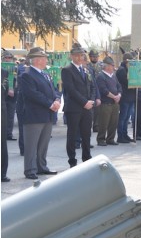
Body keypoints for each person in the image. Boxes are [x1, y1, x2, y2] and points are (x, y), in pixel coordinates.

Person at [19, 47, 61, 179]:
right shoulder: (26, 75)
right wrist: (50, 104)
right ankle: (30, 170)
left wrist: (57, 100)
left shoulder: (45, 74)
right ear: (37, 60)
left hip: (47, 114)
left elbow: (54, 89)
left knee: (43, 144)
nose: (46, 60)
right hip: (34, 116)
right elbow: (33, 94)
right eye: (44, 58)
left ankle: (42, 167)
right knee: (31, 145)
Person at [62, 44, 96, 168]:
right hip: (74, 108)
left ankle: (87, 157)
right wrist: (84, 102)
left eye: (81, 55)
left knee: (86, 134)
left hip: (87, 108)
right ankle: (72, 160)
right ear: (72, 56)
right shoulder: (67, 70)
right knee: (72, 134)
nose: (79, 57)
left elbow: (92, 87)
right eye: (76, 55)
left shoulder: (85, 70)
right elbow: (71, 90)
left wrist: (91, 100)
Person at [95, 56, 122, 146]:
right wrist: (114, 96)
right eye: (112, 65)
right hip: (105, 103)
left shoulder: (113, 76)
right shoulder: (101, 76)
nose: (113, 67)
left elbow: (119, 86)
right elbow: (103, 90)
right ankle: (101, 139)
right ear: (106, 66)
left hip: (115, 103)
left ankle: (110, 138)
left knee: (113, 122)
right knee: (103, 122)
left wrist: (119, 95)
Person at [116, 53, 136, 144]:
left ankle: (125, 134)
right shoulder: (121, 70)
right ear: (127, 60)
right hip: (124, 97)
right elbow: (127, 81)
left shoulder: (128, 69)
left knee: (127, 117)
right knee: (123, 117)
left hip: (131, 97)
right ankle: (120, 136)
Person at [1, 66, 11, 182]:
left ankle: (2, 173)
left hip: (1, 111)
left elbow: (6, 91)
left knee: (2, 142)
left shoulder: (4, 72)